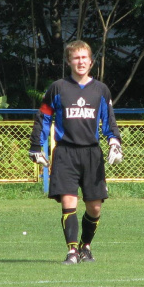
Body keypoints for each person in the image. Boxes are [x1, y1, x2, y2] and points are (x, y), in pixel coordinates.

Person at [29, 40, 123, 265]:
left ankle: (85, 247)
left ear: (91, 61)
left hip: (92, 154)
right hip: (65, 153)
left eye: (84, 58)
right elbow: (43, 118)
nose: (80, 62)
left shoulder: (101, 90)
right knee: (68, 201)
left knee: (95, 206)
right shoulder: (57, 88)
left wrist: (114, 143)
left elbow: (109, 121)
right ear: (69, 61)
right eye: (76, 58)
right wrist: (35, 147)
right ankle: (71, 251)